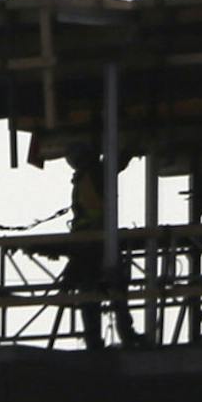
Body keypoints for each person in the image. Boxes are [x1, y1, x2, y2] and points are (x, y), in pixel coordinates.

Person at [59, 143, 142, 349]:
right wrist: (130, 146)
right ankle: (124, 335)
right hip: (95, 242)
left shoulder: (86, 177)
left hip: (88, 244)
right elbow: (115, 165)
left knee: (93, 292)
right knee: (112, 287)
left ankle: (96, 338)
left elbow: (113, 166)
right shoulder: (93, 174)